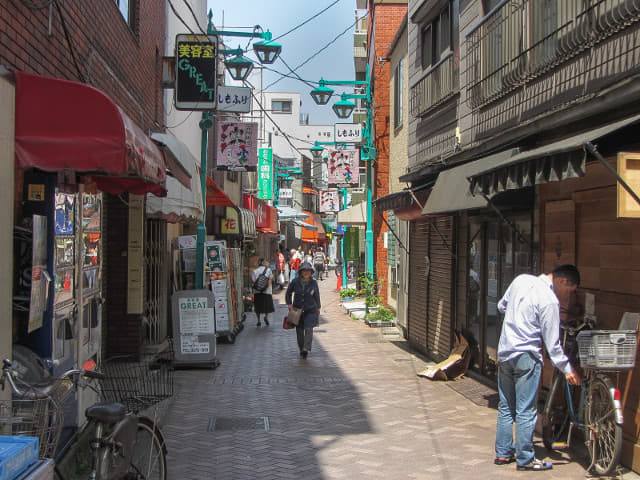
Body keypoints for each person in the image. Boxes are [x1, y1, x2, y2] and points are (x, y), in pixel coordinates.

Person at [494, 264, 581, 471]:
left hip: (505, 351)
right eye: (568, 291)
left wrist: (517, 317)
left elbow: (501, 306)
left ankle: (503, 454)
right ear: (561, 281)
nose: (567, 297)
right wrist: (568, 369)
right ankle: (525, 458)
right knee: (526, 409)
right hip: (527, 356)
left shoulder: (521, 279)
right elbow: (553, 345)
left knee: (506, 406)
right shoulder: (549, 300)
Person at [285, 262, 321, 359]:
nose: (306, 273)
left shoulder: (313, 282)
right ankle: (302, 348)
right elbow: (288, 293)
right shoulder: (295, 282)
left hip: (310, 309)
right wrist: (289, 305)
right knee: (299, 331)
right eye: (304, 271)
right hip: (298, 310)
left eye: (308, 271)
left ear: (311, 272)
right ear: (300, 272)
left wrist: (318, 307)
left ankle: (306, 348)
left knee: (309, 329)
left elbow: (317, 295)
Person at [251, 258, 274, 327]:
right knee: (267, 305)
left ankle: (258, 320)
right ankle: (266, 317)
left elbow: (253, 280)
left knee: (257, 306)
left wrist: (259, 287)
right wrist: (265, 287)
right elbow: (270, 280)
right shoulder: (268, 270)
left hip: (257, 291)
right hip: (267, 291)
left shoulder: (255, 271)